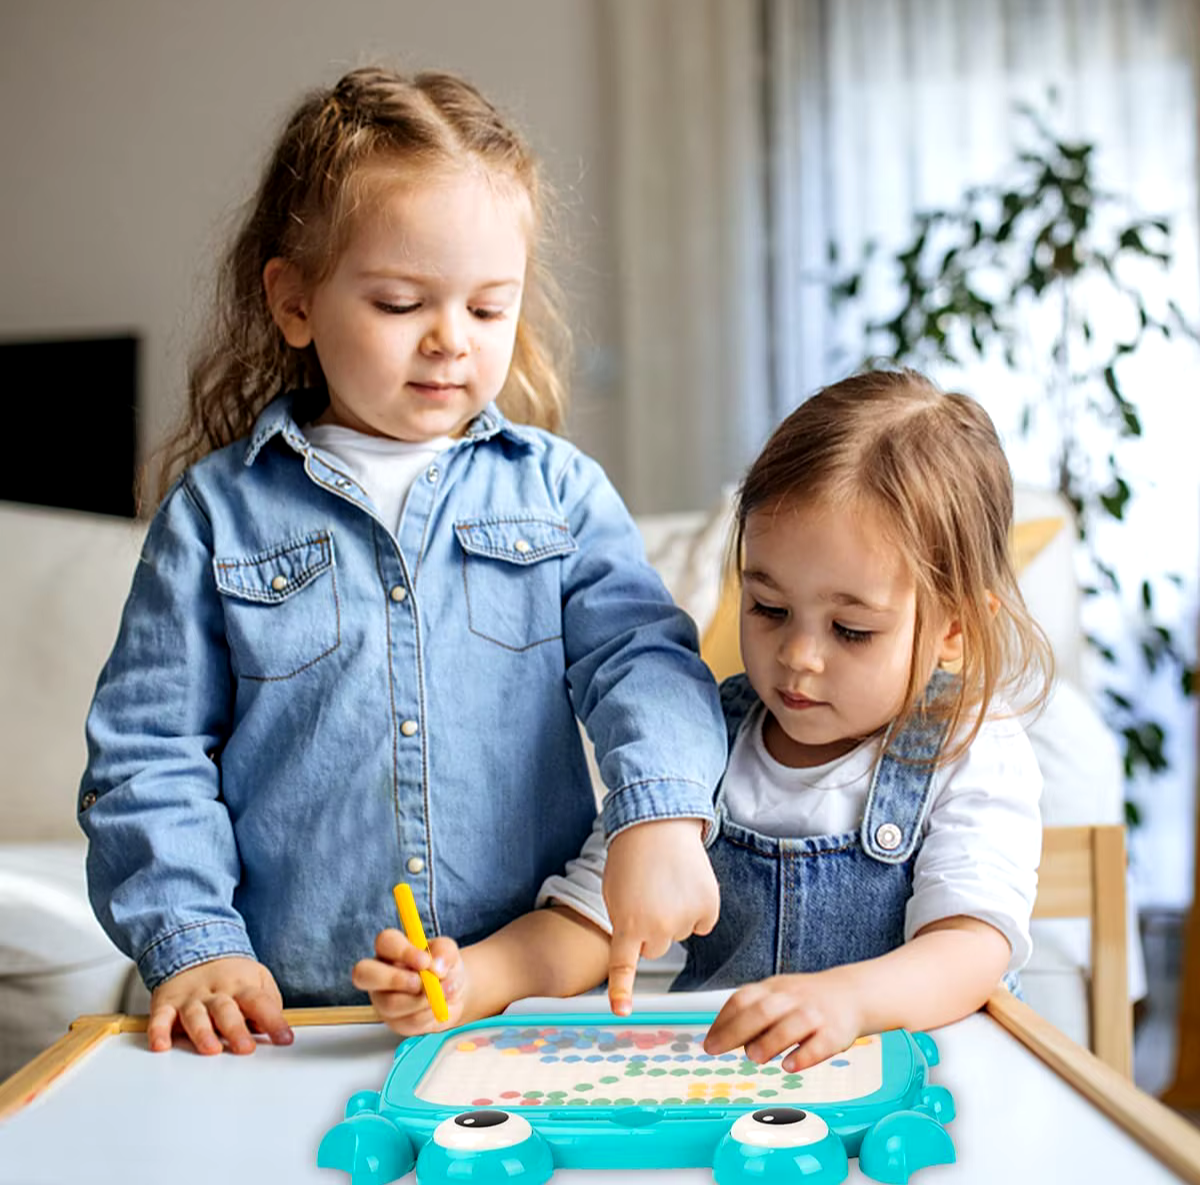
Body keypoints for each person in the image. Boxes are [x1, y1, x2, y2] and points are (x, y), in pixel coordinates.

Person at [78, 65, 726, 1056]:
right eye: (397, 303)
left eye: (485, 308)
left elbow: (647, 665)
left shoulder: (555, 492)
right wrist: (195, 944)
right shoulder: (215, 514)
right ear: (295, 304)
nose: (447, 342)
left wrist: (663, 812)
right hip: (286, 1017)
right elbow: (147, 755)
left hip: (521, 1010)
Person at [463, 367, 1053, 1069]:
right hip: (730, 1095)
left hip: (920, 1094)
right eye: (768, 608)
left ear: (953, 627)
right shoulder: (697, 738)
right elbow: (589, 920)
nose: (798, 657)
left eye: (851, 629)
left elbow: (970, 948)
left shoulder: (970, 745)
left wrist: (846, 1002)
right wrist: (471, 976)